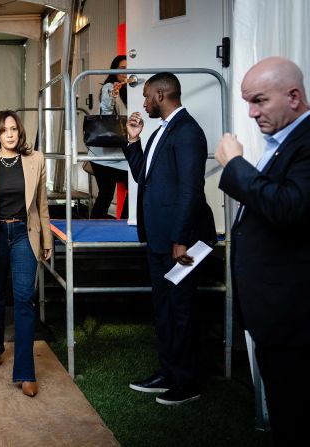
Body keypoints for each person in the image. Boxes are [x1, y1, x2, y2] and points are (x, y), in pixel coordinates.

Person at [215, 57, 310, 445]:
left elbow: (289, 207)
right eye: (247, 103)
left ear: (293, 96)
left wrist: (235, 165)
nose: (252, 113)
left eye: (259, 101)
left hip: (295, 318)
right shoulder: (285, 141)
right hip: (278, 314)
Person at [124, 72, 216, 405]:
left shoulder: (188, 132)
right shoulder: (160, 131)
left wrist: (180, 240)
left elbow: (191, 190)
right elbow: (142, 177)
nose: (144, 102)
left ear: (162, 95)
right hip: (160, 239)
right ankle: (168, 373)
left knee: (182, 310)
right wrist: (133, 140)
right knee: (164, 309)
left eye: (147, 95)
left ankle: (187, 382)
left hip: (183, 242)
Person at [0, 110, 52, 397]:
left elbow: (41, 203)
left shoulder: (35, 159)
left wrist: (47, 239)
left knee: (25, 299)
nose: (10, 134)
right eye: (4, 130)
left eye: (14, 129)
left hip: (25, 236)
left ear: (20, 131)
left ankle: (26, 372)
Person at [85, 55, 130, 219]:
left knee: (135, 186)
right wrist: (112, 94)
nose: (126, 72)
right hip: (104, 155)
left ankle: (125, 222)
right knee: (106, 195)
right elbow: (106, 108)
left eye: (128, 68)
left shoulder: (130, 90)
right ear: (114, 70)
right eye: (122, 69)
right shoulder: (110, 87)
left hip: (120, 154)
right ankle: (94, 229)